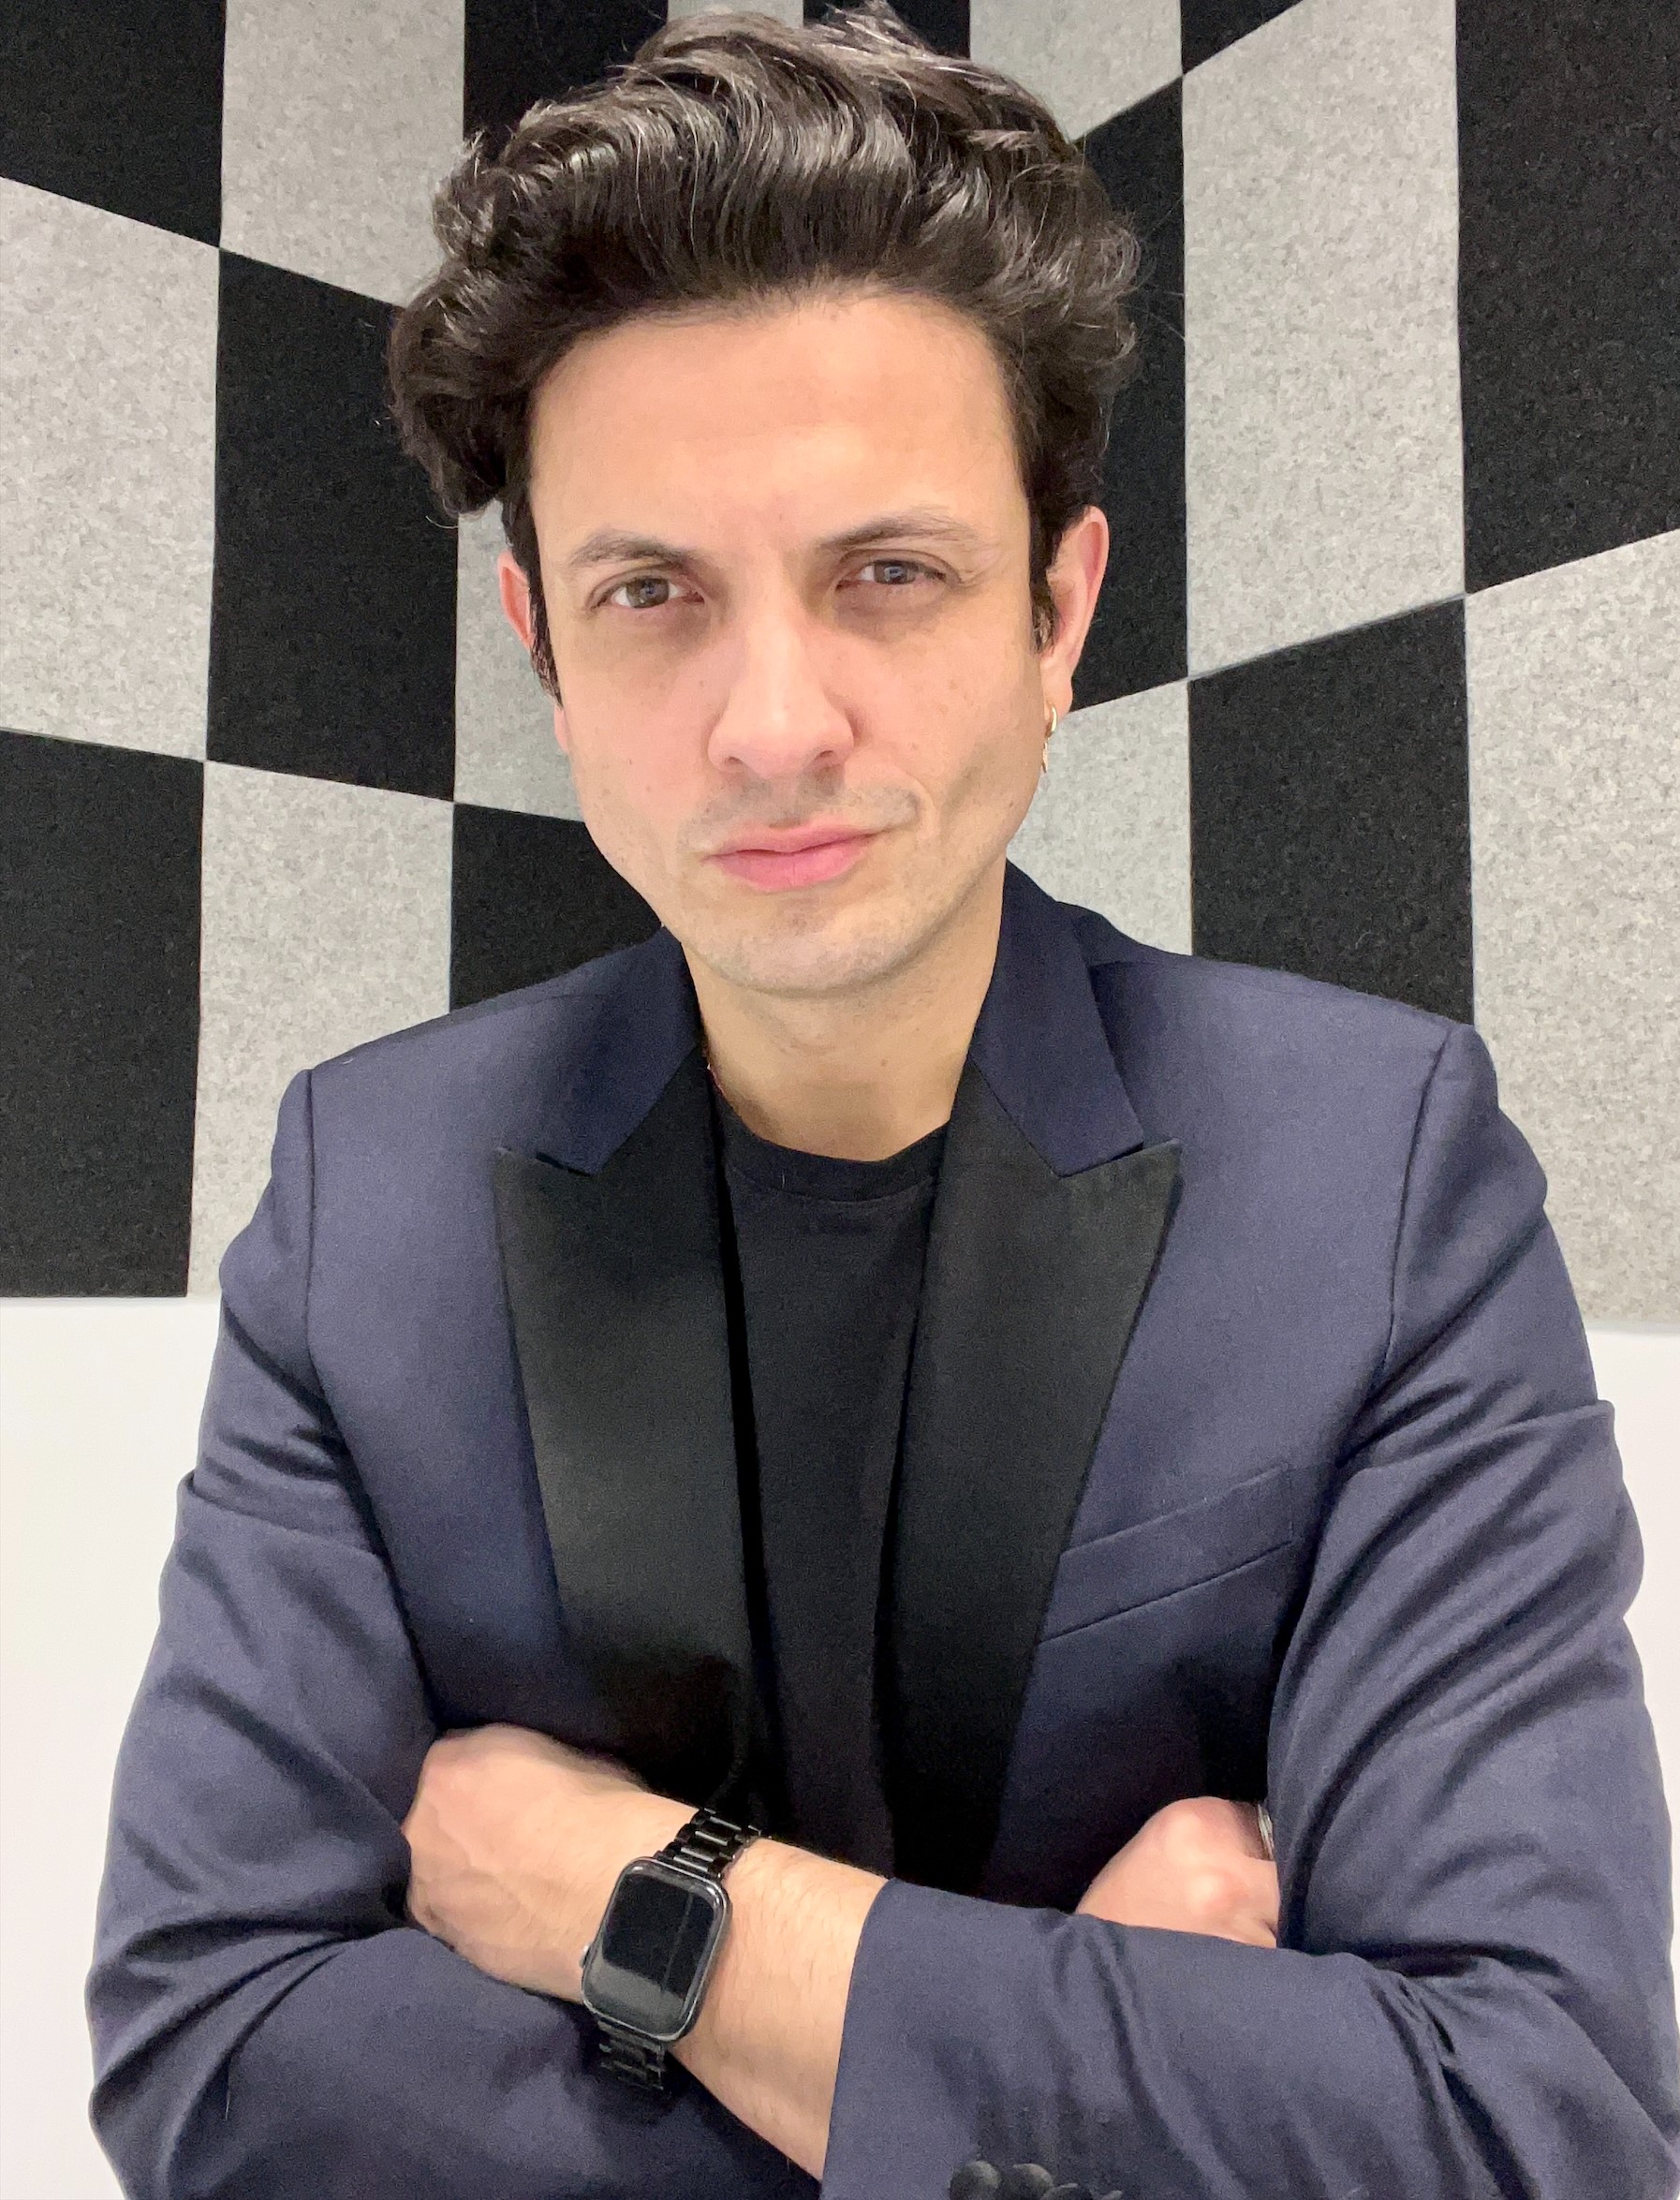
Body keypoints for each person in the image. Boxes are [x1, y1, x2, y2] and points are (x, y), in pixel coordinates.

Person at [86, 6, 1679, 2196]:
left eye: (888, 574)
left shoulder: (1380, 1175)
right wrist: (1050, 2048)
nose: (772, 723)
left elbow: (1531, 2121)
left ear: (1059, 610)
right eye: (654, 592)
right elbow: (213, 2052)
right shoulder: (368, 1197)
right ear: (544, 645)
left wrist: (650, 1902)